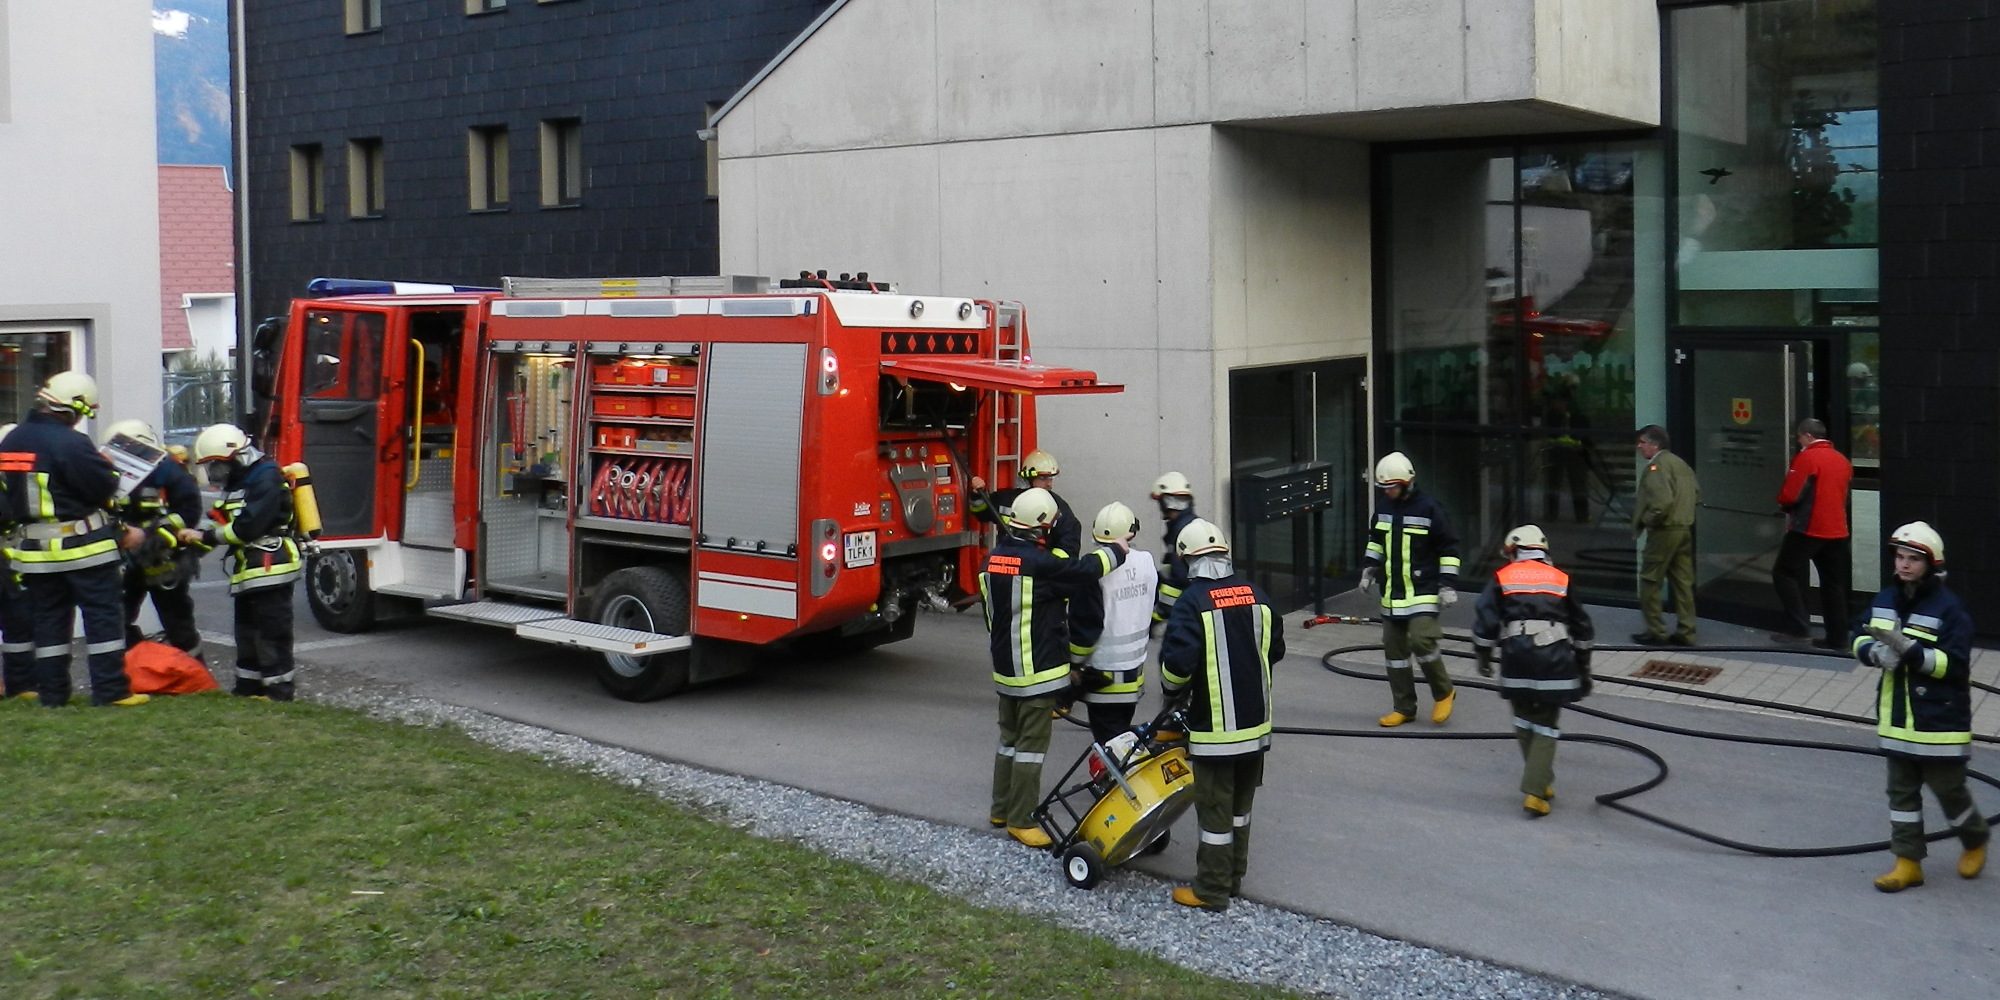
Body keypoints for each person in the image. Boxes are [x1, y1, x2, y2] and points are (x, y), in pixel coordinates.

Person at [979, 487, 1126, 847]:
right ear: (1042, 526)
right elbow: (1084, 569)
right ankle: (1021, 819)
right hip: (1038, 673)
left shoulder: (992, 560)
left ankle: (1000, 808)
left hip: (1006, 670)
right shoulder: (1041, 566)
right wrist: (1117, 552)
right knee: (1031, 747)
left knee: (1008, 742)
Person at [1852, 522, 1988, 893]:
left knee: (1949, 791)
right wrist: (1873, 651)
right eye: (1900, 556)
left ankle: (1974, 839)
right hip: (1897, 719)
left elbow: (1955, 665)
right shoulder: (1885, 598)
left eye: (1913, 559)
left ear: (1931, 564)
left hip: (1939, 722)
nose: (1905, 564)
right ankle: (1907, 862)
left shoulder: (1949, 608)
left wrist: (1911, 653)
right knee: (1901, 796)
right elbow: (1858, 633)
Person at [0, 372, 148, 707]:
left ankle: (52, 694)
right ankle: (111, 690)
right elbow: (102, 487)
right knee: (103, 619)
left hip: (35, 552)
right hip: (84, 550)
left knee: (49, 621)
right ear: (74, 408)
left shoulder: (11, 441)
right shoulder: (71, 442)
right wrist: (108, 468)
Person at [1160, 518, 1283, 911]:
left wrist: (1172, 694)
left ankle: (1210, 890)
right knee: (1240, 810)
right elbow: (1274, 650)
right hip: (1256, 726)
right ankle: (1232, 878)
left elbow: (1177, 665)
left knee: (1214, 812)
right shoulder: (1257, 594)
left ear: (1187, 560)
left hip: (1215, 733)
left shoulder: (1192, 602)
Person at [1471, 525, 1596, 817]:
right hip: (1554, 660)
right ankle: (1534, 791)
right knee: (1546, 725)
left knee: (1524, 719)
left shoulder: (1503, 576)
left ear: (1514, 549)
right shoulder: (1561, 578)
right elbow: (1582, 626)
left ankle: (1541, 779)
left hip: (1516, 657)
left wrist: (1483, 654)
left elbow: (1486, 618)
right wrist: (1584, 666)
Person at [183, 423, 302, 701]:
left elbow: (246, 527)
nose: (213, 472)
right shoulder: (241, 481)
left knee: (271, 633)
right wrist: (186, 539)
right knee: (246, 632)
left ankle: (278, 692)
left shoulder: (267, 478)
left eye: (216, 464)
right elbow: (220, 519)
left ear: (235, 456)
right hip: (249, 569)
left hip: (271, 566)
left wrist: (206, 536)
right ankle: (247, 688)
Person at [1361, 451, 1460, 727]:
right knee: (1394, 652)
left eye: (1392, 486)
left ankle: (1444, 692)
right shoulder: (1382, 508)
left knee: (1421, 641)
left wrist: (1448, 585)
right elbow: (1376, 541)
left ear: (1406, 483)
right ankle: (1404, 707)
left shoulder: (1429, 508)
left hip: (1424, 590)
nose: (1388, 492)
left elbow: (1449, 548)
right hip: (1393, 592)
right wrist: (1369, 568)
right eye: (1384, 488)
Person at [103, 418, 206, 659]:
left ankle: (194, 675)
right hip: (127, 558)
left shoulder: (170, 471)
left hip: (164, 558)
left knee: (177, 620)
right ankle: (138, 664)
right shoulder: (114, 473)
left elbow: (189, 513)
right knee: (117, 616)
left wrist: (151, 535)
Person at [1069, 501, 1157, 746]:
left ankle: (1122, 784)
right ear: (1133, 531)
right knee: (1120, 741)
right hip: (1133, 675)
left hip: (1101, 677)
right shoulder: (1147, 562)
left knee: (1111, 748)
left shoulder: (1094, 569)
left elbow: (1085, 628)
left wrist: (1073, 664)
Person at [1771, 418, 1852, 648]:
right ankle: (1838, 638)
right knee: (1833, 584)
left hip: (1809, 528)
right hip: (1837, 530)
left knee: (1783, 572)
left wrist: (1784, 506)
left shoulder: (1807, 458)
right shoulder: (1842, 460)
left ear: (1807, 436)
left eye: (1798, 438)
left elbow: (1790, 494)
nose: (1798, 442)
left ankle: (1798, 628)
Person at [1631, 424, 1698, 646]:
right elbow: (1696, 493)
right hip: (1683, 528)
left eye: (1642, 442)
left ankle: (1656, 631)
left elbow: (1661, 503)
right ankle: (1686, 632)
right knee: (1682, 582)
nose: (1639, 447)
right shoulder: (1680, 464)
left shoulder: (1657, 467)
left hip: (1665, 530)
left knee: (1650, 580)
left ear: (1655, 444)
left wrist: (1649, 521)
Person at [969, 449, 1082, 557]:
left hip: (1037, 571)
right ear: (1029, 478)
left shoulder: (1058, 507)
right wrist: (978, 494)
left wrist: (1048, 566)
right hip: (1009, 565)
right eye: (1043, 478)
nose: (1049, 484)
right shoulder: (1008, 500)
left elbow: (1069, 544)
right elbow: (982, 512)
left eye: (1050, 478)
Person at [0, 423, 36, 700]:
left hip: (11, 562)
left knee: (19, 623)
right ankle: (20, 685)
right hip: (7, 562)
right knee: (18, 622)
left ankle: (21, 685)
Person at [1148, 471, 1198, 623]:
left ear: (1167, 502)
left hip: (1189, 613)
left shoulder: (1180, 533)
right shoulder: (1191, 525)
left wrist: (1157, 617)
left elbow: (1177, 580)